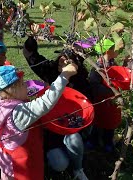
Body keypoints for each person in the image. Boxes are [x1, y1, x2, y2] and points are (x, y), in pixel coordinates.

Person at [0, 64, 78, 179]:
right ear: (11, 92)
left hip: (10, 164)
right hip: (23, 169)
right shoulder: (17, 114)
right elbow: (45, 103)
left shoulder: (0, 109)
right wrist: (64, 75)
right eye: (23, 84)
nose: (26, 86)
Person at [23, 36, 90, 180]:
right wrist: (31, 37)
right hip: (51, 129)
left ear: (77, 64)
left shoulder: (82, 82)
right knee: (60, 164)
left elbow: (87, 110)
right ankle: (58, 154)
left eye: (69, 58)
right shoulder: (50, 70)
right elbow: (31, 56)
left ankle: (78, 168)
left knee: (75, 139)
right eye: (62, 55)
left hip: (71, 127)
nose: (63, 59)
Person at [86, 38, 122, 153]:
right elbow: (94, 86)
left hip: (111, 103)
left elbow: (119, 74)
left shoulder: (112, 63)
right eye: (115, 49)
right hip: (101, 102)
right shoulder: (97, 69)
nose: (118, 51)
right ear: (107, 51)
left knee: (110, 125)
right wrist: (111, 91)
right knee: (98, 123)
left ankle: (108, 142)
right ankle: (93, 141)